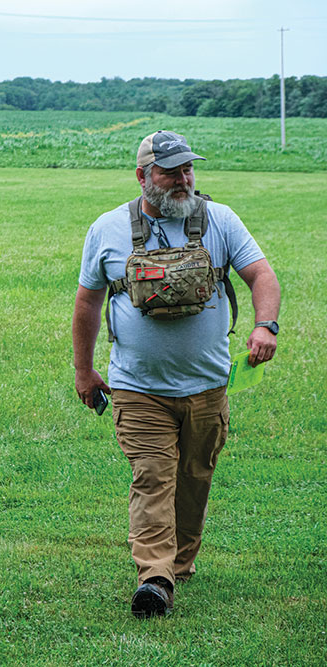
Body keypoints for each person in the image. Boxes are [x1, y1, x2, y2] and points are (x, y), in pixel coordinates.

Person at [72, 131, 280, 619]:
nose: (184, 179)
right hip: (137, 387)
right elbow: (87, 302)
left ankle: (177, 566)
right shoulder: (107, 229)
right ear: (143, 176)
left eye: (189, 169)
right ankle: (155, 577)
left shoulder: (220, 220)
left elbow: (262, 276)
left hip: (207, 388)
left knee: (193, 479)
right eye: (171, 171)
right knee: (153, 478)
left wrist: (265, 325)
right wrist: (84, 370)